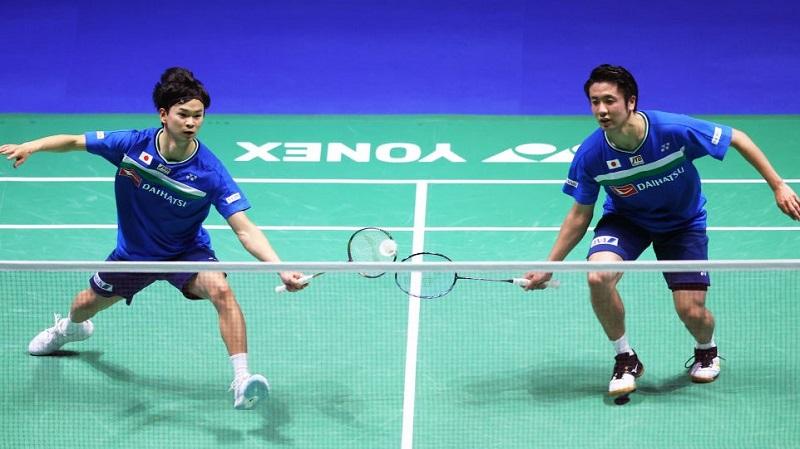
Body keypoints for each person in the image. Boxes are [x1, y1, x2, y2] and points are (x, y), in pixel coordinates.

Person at [0, 67, 308, 410]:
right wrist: (33, 145)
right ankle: (70, 328)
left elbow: (245, 228)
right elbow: (74, 141)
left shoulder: (210, 172)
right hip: (134, 255)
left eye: (198, 115)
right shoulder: (132, 144)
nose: (191, 122)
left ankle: (242, 380)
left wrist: (281, 268)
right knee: (83, 305)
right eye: (183, 114)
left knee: (221, 291)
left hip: (186, 253)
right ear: (163, 114)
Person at [524, 64, 800, 397]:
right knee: (598, 276)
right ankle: (625, 357)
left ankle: (706, 348)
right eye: (594, 102)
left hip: (683, 223)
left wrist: (778, 186)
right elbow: (580, 216)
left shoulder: (672, 130)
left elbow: (737, 137)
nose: (601, 110)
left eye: (609, 100)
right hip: (628, 221)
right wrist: (548, 266)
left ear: (631, 102)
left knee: (690, 311)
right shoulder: (591, 155)